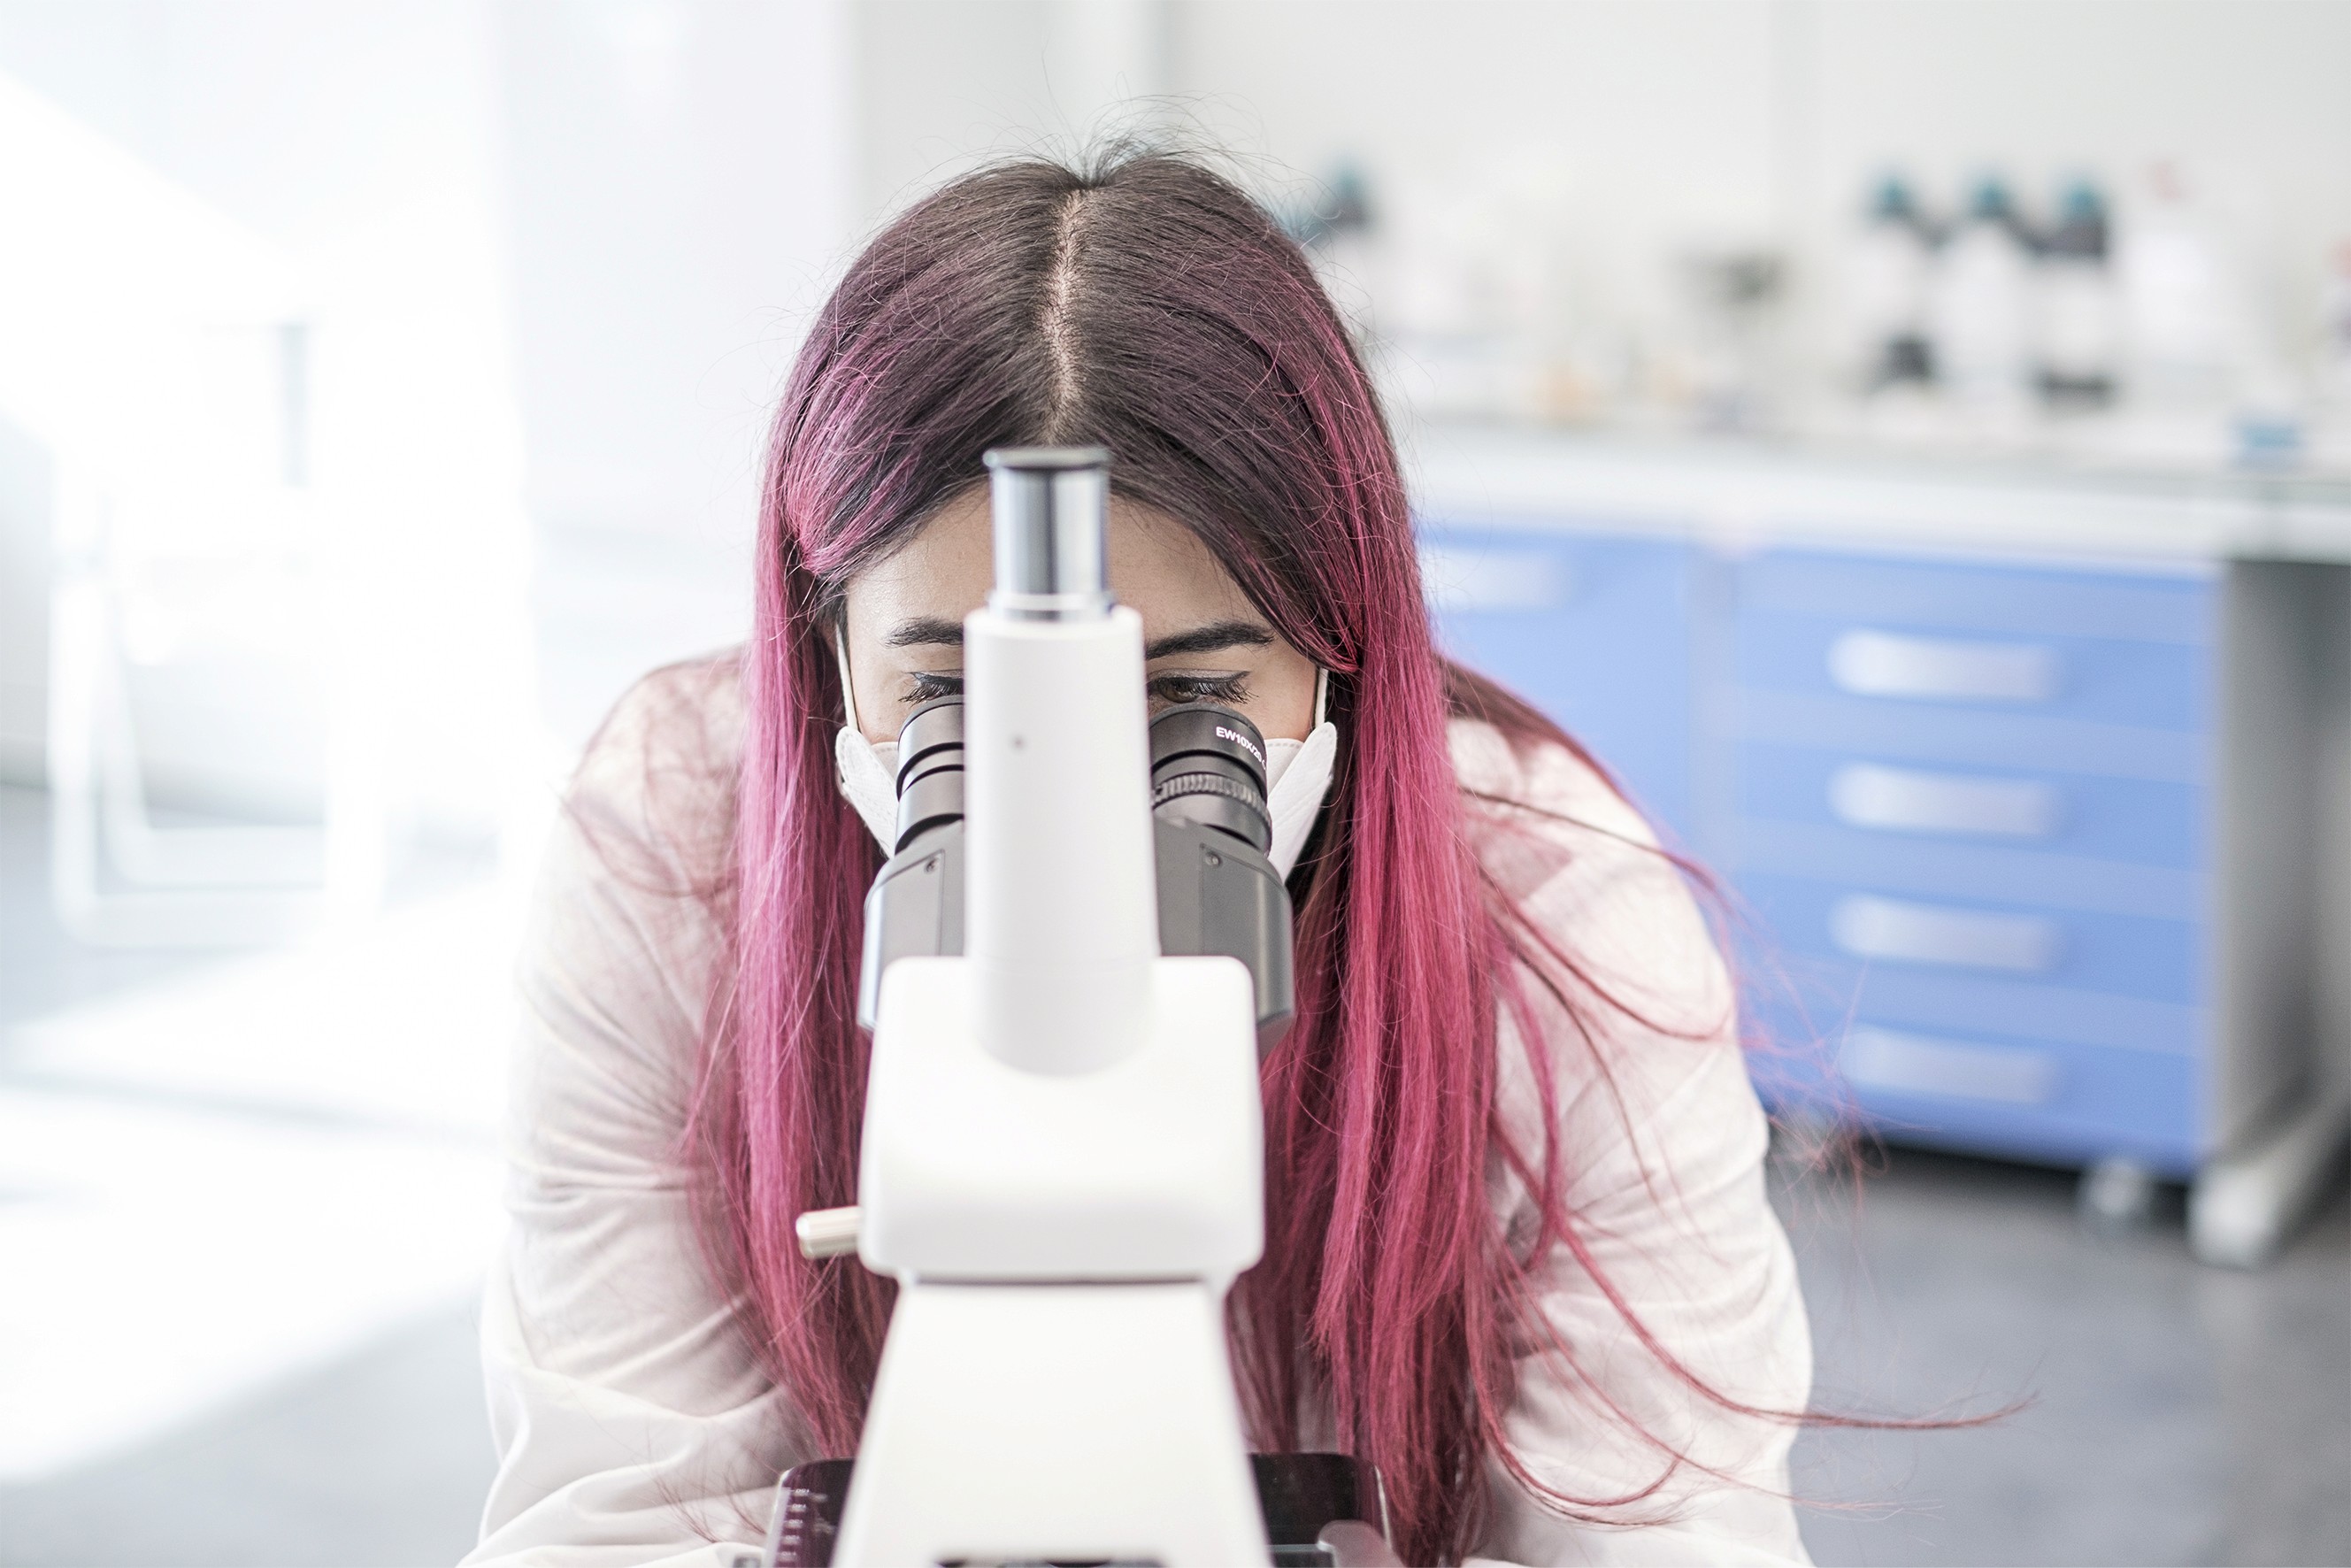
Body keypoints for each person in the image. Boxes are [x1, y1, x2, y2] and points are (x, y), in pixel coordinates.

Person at [466, 151, 1812, 1568]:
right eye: (948, 703)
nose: (1076, 802)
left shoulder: (1561, 914)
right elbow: (606, 1526)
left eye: (1194, 705)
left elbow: (1680, 1541)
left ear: (1342, 648)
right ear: (820, 652)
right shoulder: (674, 843)